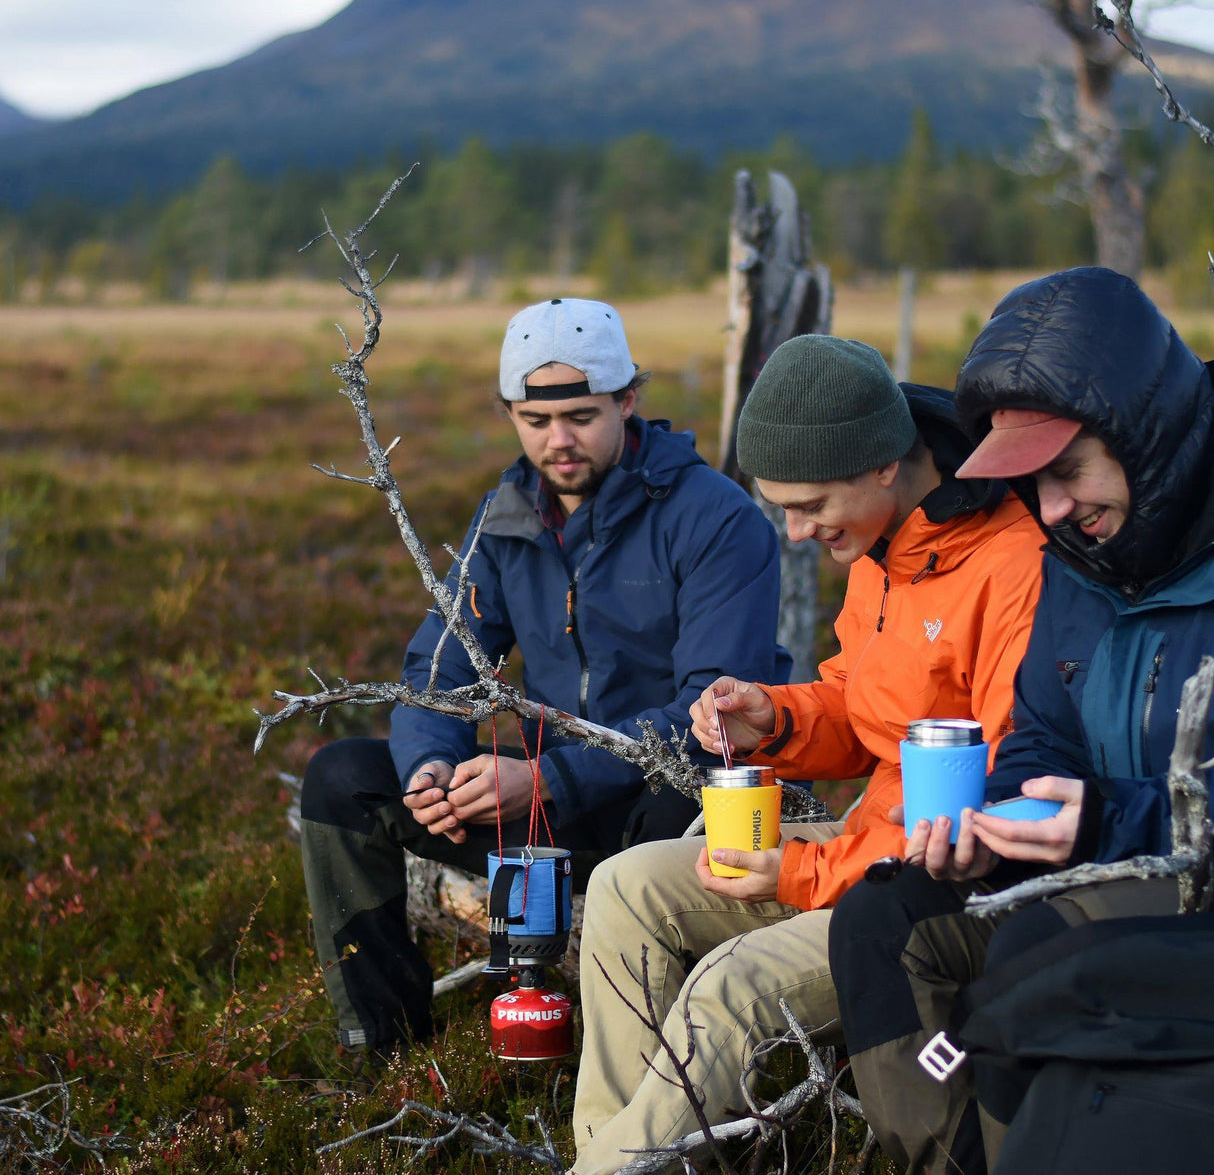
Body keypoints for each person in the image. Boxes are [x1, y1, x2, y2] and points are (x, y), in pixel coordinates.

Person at [571, 334, 1043, 1174]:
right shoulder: (885, 551)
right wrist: (777, 722)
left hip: (933, 895)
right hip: (867, 848)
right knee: (625, 887)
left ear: (881, 467)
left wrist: (798, 872)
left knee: (731, 984)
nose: (794, 532)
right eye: (780, 506)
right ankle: (614, 1154)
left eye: (808, 504)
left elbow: (986, 811)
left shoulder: (1012, 570)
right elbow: (865, 713)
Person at [298, 297, 791, 1056]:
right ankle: (382, 1052)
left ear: (629, 401)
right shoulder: (504, 520)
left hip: (666, 809)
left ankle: (663, 1061)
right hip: (541, 815)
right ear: (509, 416)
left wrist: (551, 777)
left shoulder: (716, 520)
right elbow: (441, 668)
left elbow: (715, 719)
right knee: (343, 781)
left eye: (582, 416)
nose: (558, 441)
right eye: (534, 421)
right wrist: (430, 767)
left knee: (678, 807)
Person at [828, 265, 1214, 1175]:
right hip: (1095, 868)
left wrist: (1113, 821)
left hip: (1185, 889)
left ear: (1142, 435)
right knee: (884, 920)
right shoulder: (1077, 561)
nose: (1053, 511)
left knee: (1033, 966)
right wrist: (994, 822)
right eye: (1033, 486)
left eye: (1068, 473)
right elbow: (1040, 734)